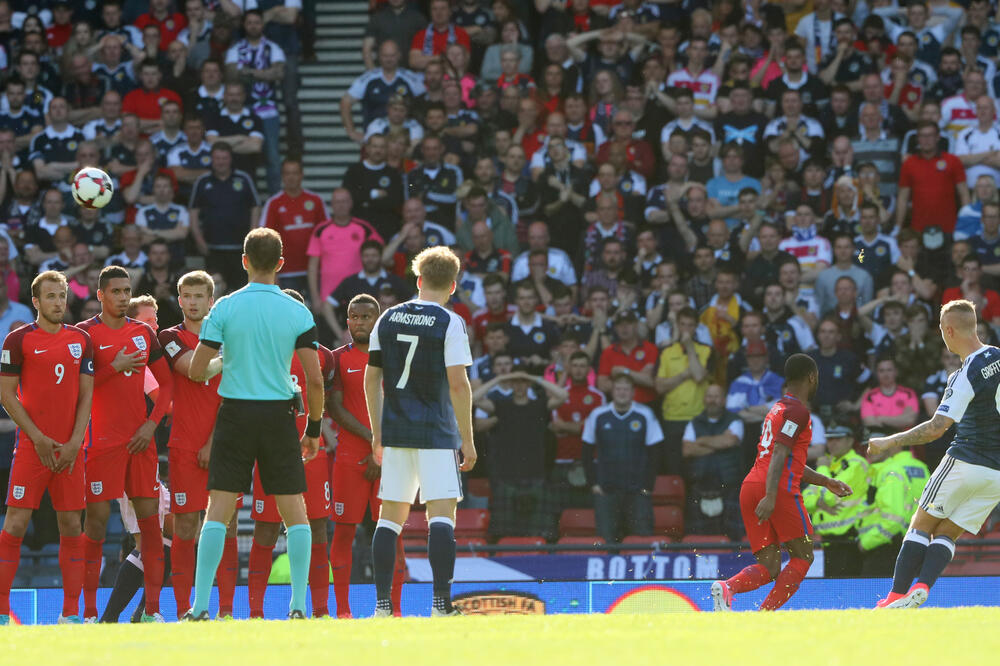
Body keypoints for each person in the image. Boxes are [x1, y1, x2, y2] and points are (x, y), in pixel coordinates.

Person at [183, 228, 324, 621]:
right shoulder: (298, 311)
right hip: (279, 416)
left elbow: (197, 371)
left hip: (236, 413)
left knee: (218, 512)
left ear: (244, 261)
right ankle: (298, 606)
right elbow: (314, 380)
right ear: (281, 263)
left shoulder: (224, 309)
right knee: (295, 512)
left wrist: (225, 361)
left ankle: (199, 607)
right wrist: (312, 430)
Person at [364, 245, 476, 617]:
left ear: (418, 280)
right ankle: (441, 605)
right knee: (441, 516)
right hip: (436, 434)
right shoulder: (450, 322)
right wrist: (468, 442)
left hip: (396, 432)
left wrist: (378, 432)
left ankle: (382, 607)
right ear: (453, 285)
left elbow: (372, 376)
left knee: (389, 518)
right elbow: (459, 385)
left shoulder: (388, 317)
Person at [868, 299, 1000, 609]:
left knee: (921, 524)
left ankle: (895, 596)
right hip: (996, 475)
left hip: (966, 460)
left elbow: (936, 428)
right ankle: (923, 587)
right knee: (948, 532)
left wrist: (889, 441)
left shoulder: (965, 373)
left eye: (941, 330)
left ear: (949, 330)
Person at [711, 354, 852, 612]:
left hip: (751, 484)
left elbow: (787, 458)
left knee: (770, 566)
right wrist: (771, 496)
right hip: (776, 489)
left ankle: (728, 587)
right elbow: (779, 453)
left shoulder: (777, 408)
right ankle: (765, 615)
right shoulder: (797, 411)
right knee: (803, 556)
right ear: (812, 377)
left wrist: (824, 481)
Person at [77, 266, 174, 622]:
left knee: (151, 527)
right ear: (100, 294)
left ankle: (152, 611)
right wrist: (114, 366)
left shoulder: (144, 334)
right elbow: (77, 388)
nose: (122, 297)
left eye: (126, 291)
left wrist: (151, 426)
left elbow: (167, 386)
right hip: (102, 444)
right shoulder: (84, 335)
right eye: (115, 291)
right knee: (96, 525)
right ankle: (88, 613)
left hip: (140, 442)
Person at [0, 271, 93, 625]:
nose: (58, 302)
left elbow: (87, 396)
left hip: (70, 451)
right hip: (31, 448)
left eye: (62, 296)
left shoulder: (81, 340)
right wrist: (38, 437)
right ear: (36, 301)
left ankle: (70, 614)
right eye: (50, 297)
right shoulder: (17, 340)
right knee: (16, 524)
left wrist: (74, 443)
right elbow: (6, 394)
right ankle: (1, 614)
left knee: (71, 524)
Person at [248, 288, 335, 619]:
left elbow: (327, 394)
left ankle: (321, 610)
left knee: (317, 526)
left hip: (313, 451)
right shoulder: (260, 351)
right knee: (265, 530)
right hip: (269, 448)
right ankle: (255, 611)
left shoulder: (322, 355)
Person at [156, 271, 234, 619]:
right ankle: (185, 609)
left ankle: (228, 611)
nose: (192, 302)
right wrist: (231, 357)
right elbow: (192, 371)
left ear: (210, 300)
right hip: (184, 445)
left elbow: (231, 396)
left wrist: (214, 442)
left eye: (199, 296)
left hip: (226, 444)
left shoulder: (227, 336)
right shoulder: (169, 337)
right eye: (186, 295)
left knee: (226, 527)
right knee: (185, 528)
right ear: (179, 299)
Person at [327, 294, 406, 618]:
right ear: (347, 321)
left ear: (379, 319)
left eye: (367, 316)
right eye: (354, 316)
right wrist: (372, 441)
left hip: (392, 460)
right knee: (344, 532)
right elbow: (334, 407)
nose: (360, 322)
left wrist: (381, 450)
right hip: (349, 458)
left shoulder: (396, 357)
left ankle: (394, 610)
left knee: (391, 533)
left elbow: (402, 407)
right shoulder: (336, 359)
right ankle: (343, 611)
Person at [582, 374, 663, 544]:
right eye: (618, 388)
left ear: (633, 392)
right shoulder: (598, 414)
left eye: (626, 389)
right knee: (606, 540)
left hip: (637, 490)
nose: (622, 392)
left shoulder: (645, 414)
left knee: (641, 541)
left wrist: (648, 486)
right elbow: (586, 452)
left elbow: (655, 453)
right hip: (606, 490)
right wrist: (593, 484)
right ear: (612, 391)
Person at [189, 142, 261, 290]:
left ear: (231, 159)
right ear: (212, 160)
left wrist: (252, 233)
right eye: (217, 158)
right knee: (214, 290)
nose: (221, 162)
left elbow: (255, 206)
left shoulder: (243, 179)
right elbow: (193, 211)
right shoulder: (202, 181)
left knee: (240, 290)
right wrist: (198, 238)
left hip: (239, 248)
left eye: (224, 158)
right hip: (213, 248)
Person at [802, 423, 870, 577]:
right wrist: (817, 502)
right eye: (830, 439)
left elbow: (830, 496)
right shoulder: (828, 463)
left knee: (848, 589)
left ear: (850, 440)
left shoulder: (856, 464)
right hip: (829, 537)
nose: (832, 443)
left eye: (838, 439)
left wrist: (822, 471)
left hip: (849, 536)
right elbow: (804, 500)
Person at [681, 384, 744, 539]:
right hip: (700, 488)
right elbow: (687, 450)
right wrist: (719, 442)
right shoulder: (694, 422)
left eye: (716, 396)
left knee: (733, 538)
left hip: (729, 488)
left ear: (723, 400)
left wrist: (701, 441)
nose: (712, 400)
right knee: (700, 539)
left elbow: (729, 442)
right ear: (704, 399)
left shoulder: (735, 421)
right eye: (709, 396)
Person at [259, 159, 329, 297]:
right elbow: (266, 241)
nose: (291, 177)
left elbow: (326, 234)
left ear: (302, 175)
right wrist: (273, 273)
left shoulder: (315, 201)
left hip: (315, 272)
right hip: (285, 273)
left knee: (316, 314)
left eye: (295, 173)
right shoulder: (273, 203)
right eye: (287, 173)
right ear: (282, 176)